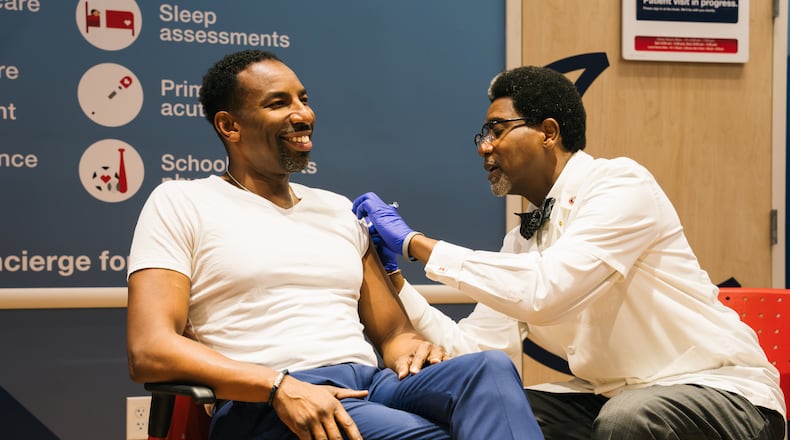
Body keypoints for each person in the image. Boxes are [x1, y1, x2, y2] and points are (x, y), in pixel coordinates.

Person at [125, 49, 543, 440]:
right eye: (278, 104)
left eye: (303, 99)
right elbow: (150, 349)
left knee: (487, 368)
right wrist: (277, 386)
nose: (303, 114)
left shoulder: (337, 209)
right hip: (268, 402)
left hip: (370, 384)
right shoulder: (182, 202)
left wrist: (414, 350)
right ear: (229, 126)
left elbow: (394, 332)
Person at [353, 65, 787, 439]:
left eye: (497, 130)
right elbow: (473, 348)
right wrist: (394, 280)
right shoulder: (520, 241)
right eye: (483, 135)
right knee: (494, 409)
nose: (485, 147)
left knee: (629, 420)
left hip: (726, 395)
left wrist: (417, 244)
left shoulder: (620, 184)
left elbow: (546, 292)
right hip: (615, 396)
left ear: (548, 132)